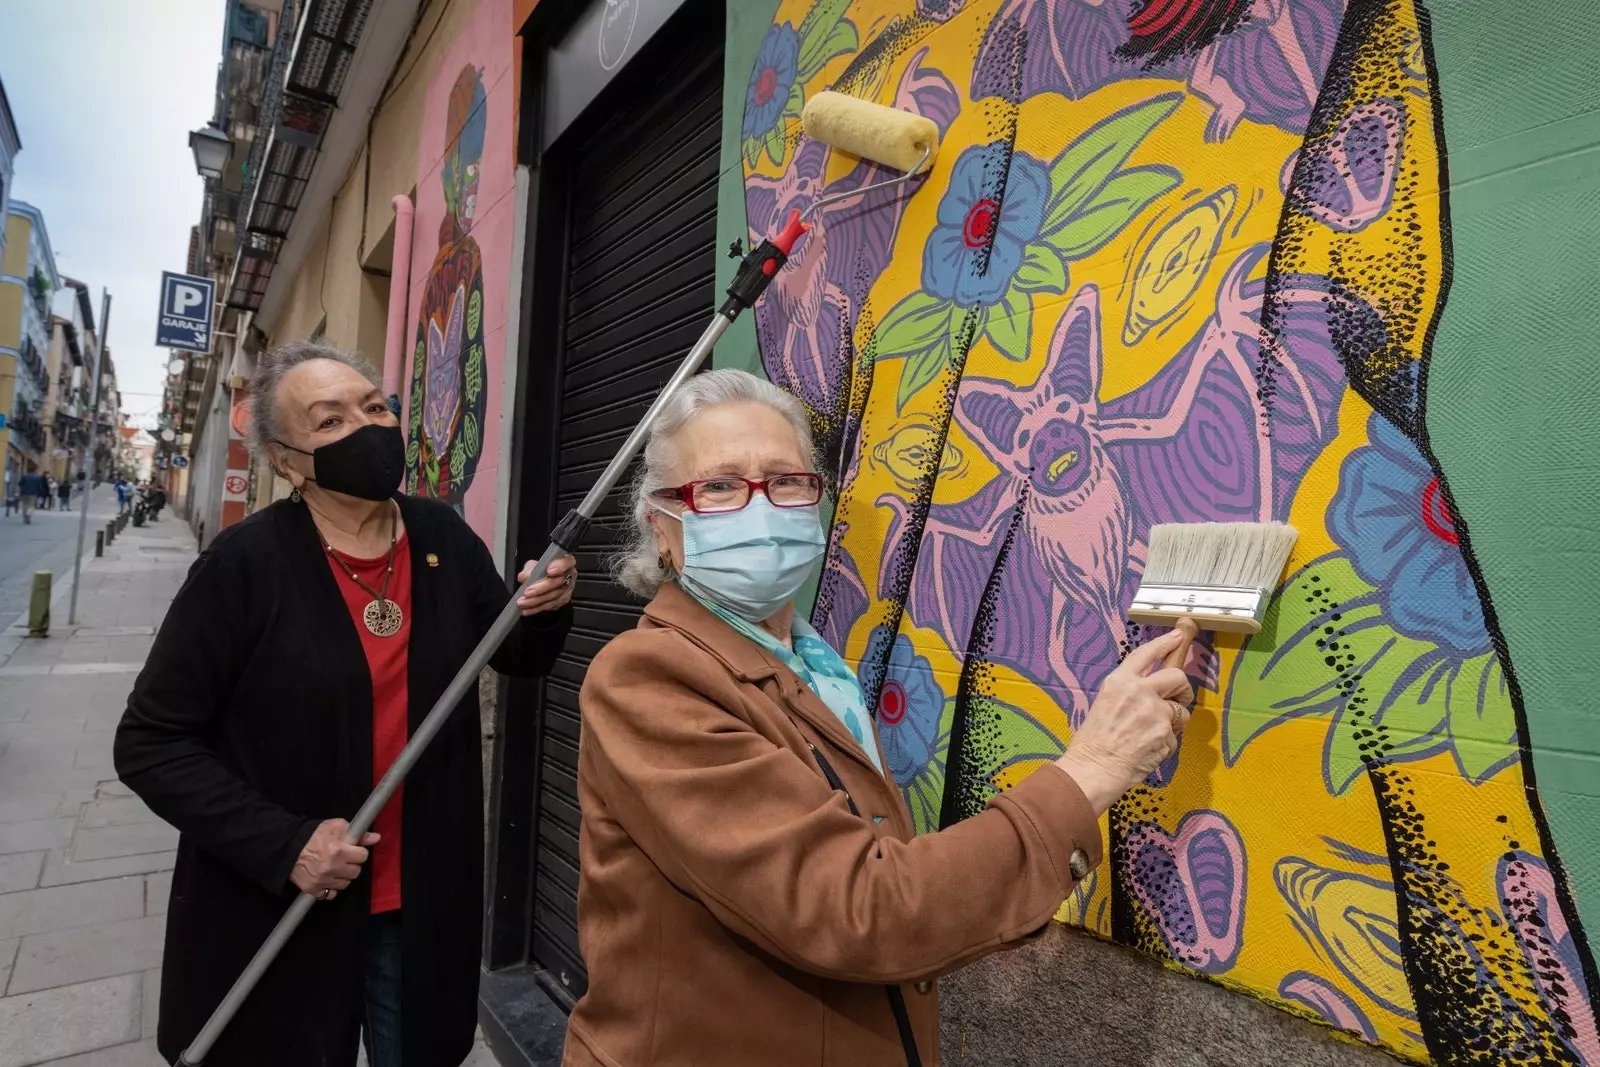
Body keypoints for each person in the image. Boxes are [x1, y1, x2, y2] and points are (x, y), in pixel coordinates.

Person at [563, 370, 1195, 1067]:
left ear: (816, 501)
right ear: (662, 526)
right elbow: (856, 904)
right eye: (719, 487)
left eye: (786, 481)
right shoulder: (646, 679)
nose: (760, 508)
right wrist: (1092, 770)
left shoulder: (815, 666)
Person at [114, 341, 579, 1067]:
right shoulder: (242, 568)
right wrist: (285, 843)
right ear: (287, 459)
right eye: (330, 422)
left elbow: (516, 655)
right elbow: (150, 741)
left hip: (420, 901)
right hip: (287, 903)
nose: (368, 428)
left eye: (373, 406)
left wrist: (545, 606)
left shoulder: (442, 539)